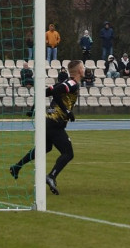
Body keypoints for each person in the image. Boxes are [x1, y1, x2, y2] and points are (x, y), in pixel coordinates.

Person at [9, 59, 85, 195]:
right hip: (54, 123)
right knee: (68, 153)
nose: (84, 69)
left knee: (46, 147)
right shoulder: (72, 84)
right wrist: (67, 111)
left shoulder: (64, 83)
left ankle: (17, 166)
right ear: (79, 70)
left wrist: (33, 108)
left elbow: (44, 92)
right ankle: (51, 176)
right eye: (83, 67)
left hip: (48, 122)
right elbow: (55, 93)